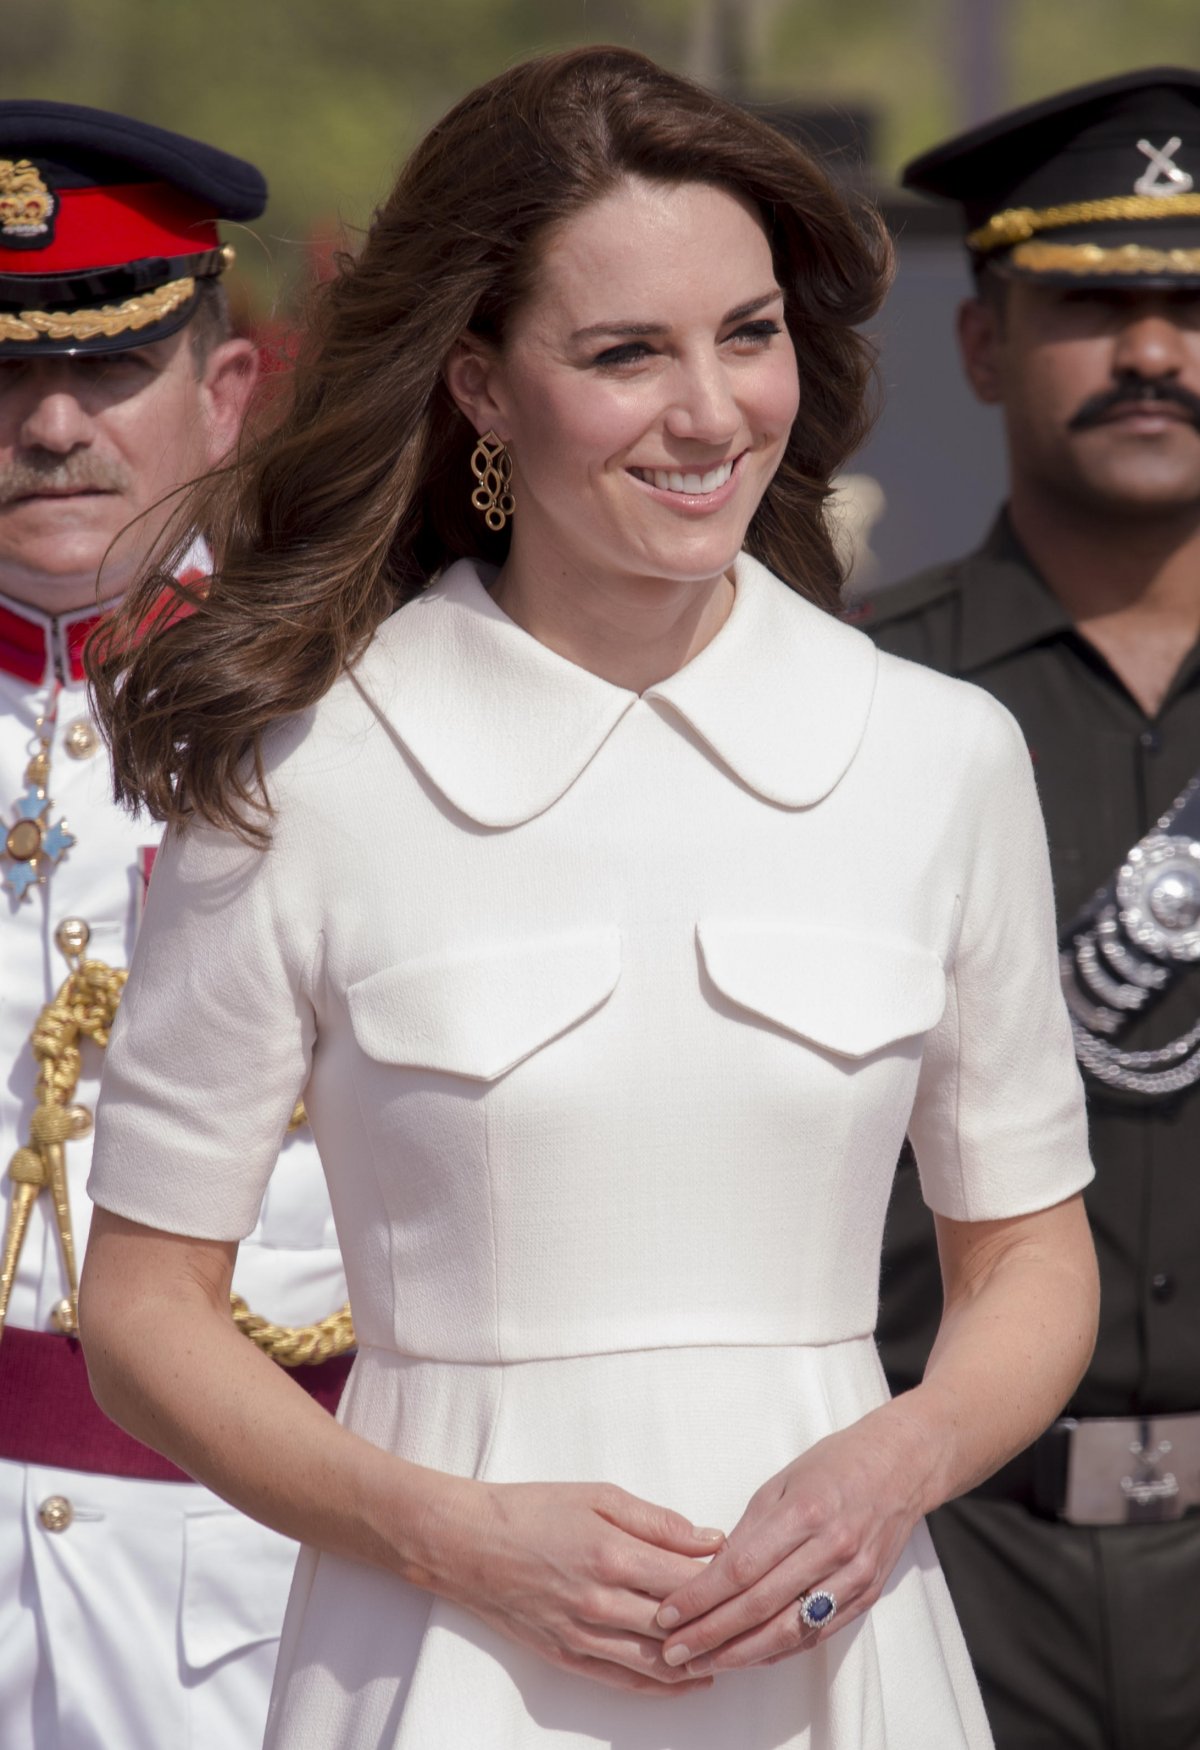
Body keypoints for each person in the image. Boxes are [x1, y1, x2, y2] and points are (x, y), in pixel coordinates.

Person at [79, 48, 1097, 1750]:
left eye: (748, 333)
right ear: (480, 385)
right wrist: (444, 1532)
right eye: (625, 354)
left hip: (842, 1666)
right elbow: (143, 1312)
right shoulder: (306, 768)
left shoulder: (941, 756)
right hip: (432, 1660)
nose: (709, 413)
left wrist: (893, 1463)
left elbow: (1033, 1262)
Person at [856, 67, 1200, 1750]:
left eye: (1194, 305)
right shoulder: (847, 713)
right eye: (1095, 303)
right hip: (937, 1551)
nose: (1154, 352)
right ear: (984, 340)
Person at [0, 103, 349, 1750]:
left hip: (261, 1582)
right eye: (1, 377)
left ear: (223, 395)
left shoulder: (351, 714)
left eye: (108, 369)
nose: (52, 424)